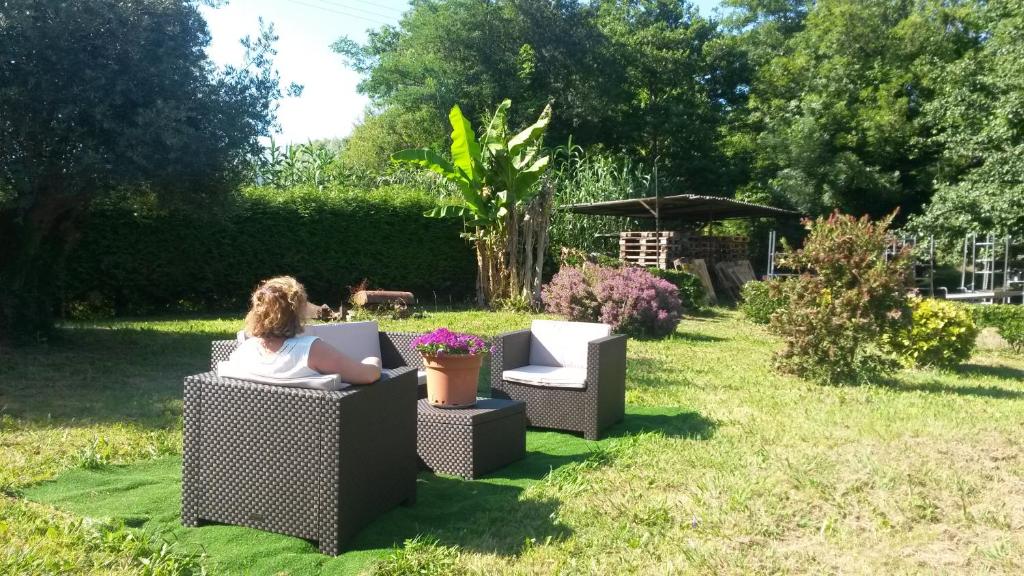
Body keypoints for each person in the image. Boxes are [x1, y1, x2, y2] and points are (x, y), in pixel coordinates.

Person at [221, 276, 380, 384]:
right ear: (297, 312)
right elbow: (367, 376)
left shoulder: (244, 351)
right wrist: (373, 361)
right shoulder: (310, 350)